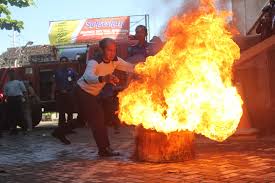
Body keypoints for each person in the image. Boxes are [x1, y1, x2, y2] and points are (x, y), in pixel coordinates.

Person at [76, 38, 135, 157]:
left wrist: (146, 67)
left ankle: (59, 131)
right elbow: (88, 77)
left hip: (93, 94)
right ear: (102, 50)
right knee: (98, 121)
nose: (112, 53)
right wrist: (104, 78)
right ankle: (104, 149)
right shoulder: (94, 62)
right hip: (82, 92)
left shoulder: (115, 60)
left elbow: (129, 67)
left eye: (114, 50)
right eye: (109, 50)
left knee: (83, 121)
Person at [51, 65, 78, 144]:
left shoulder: (71, 71)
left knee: (70, 111)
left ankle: (67, 129)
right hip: (60, 94)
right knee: (61, 113)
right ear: (60, 62)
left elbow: (75, 81)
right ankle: (60, 130)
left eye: (65, 61)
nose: (64, 62)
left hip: (69, 93)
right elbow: (54, 83)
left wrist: (74, 91)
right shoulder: (57, 72)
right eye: (62, 61)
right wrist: (52, 93)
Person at [3, 70, 27, 135]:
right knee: (11, 115)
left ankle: (24, 129)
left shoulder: (19, 83)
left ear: (15, 74)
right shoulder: (6, 84)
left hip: (18, 99)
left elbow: (24, 91)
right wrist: (3, 102)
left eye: (12, 74)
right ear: (8, 75)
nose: (11, 75)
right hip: (10, 100)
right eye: (10, 74)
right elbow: (5, 94)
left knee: (20, 114)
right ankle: (13, 129)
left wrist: (24, 99)